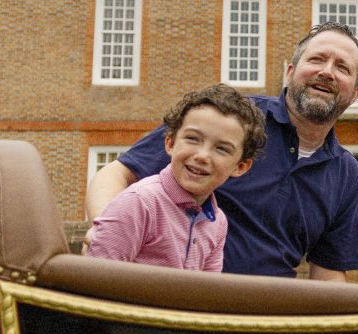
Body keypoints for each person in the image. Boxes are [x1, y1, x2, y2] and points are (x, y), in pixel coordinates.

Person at [85, 22, 358, 279]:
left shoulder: (346, 174)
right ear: (290, 73)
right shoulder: (231, 120)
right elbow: (117, 173)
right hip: (184, 298)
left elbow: (328, 274)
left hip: (270, 316)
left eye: (342, 67)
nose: (327, 71)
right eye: (317, 59)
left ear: (355, 94)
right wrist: (108, 232)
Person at [88, 84, 265, 271]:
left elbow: (207, 293)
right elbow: (96, 279)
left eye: (221, 149)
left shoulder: (218, 222)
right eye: (193, 139)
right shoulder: (139, 203)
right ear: (170, 143)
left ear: (240, 166)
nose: (202, 156)